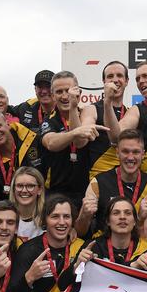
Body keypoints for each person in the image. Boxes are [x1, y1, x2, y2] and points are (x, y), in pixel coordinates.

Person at [76, 129, 147, 238]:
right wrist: (85, 216)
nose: (130, 157)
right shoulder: (98, 183)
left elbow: (146, 238)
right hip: (103, 249)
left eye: (136, 152)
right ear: (117, 153)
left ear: (143, 154)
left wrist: (140, 219)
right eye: (125, 151)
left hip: (136, 250)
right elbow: (79, 232)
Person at [40, 71, 103, 204]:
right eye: (59, 92)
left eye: (68, 91)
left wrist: (73, 109)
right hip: (56, 193)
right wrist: (74, 133)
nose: (64, 96)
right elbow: (51, 143)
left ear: (78, 92)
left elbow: (80, 142)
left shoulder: (88, 115)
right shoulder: (49, 121)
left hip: (87, 191)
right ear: (52, 95)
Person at [81, 61, 130, 178]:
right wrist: (86, 128)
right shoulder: (91, 109)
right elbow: (83, 133)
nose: (115, 79)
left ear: (127, 81)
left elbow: (117, 138)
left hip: (125, 177)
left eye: (119, 75)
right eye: (110, 76)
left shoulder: (130, 112)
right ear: (104, 82)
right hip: (98, 178)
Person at [9, 166, 45, 241]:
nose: (24, 190)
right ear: (13, 189)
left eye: (30, 186)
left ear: (39, 190)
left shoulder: (48, 218)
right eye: (19, 186)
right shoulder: (4, 217)